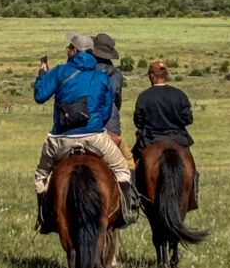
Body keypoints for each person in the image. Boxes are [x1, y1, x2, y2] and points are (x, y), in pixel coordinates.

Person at [33, 33, 139, 232]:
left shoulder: (60, 71)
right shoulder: (102, 76)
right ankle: (123, 213)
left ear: (73, 50)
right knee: (122, 170)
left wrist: (42, 75)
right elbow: (107, 109)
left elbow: (40, 96)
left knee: (41, 176)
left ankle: (45, 218)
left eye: (68, 47)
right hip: (95, 138)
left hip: (61, 139)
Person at [133, 60, 199, 209]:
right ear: (166, 75)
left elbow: (138, 122)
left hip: (150, 140)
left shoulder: (144, 97)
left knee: (131, 165)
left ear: (151, 76)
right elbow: (188, 119)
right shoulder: (179, 94)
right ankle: (192, 197)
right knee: (192, 168)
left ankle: (132, 197)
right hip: (177, 139)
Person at [91, 32, 134, 169]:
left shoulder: (86, 72)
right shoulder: (116, 75)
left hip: (86, 122)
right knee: (126, 163)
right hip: (111, 123)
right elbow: (117, 101)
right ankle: (129, 189)